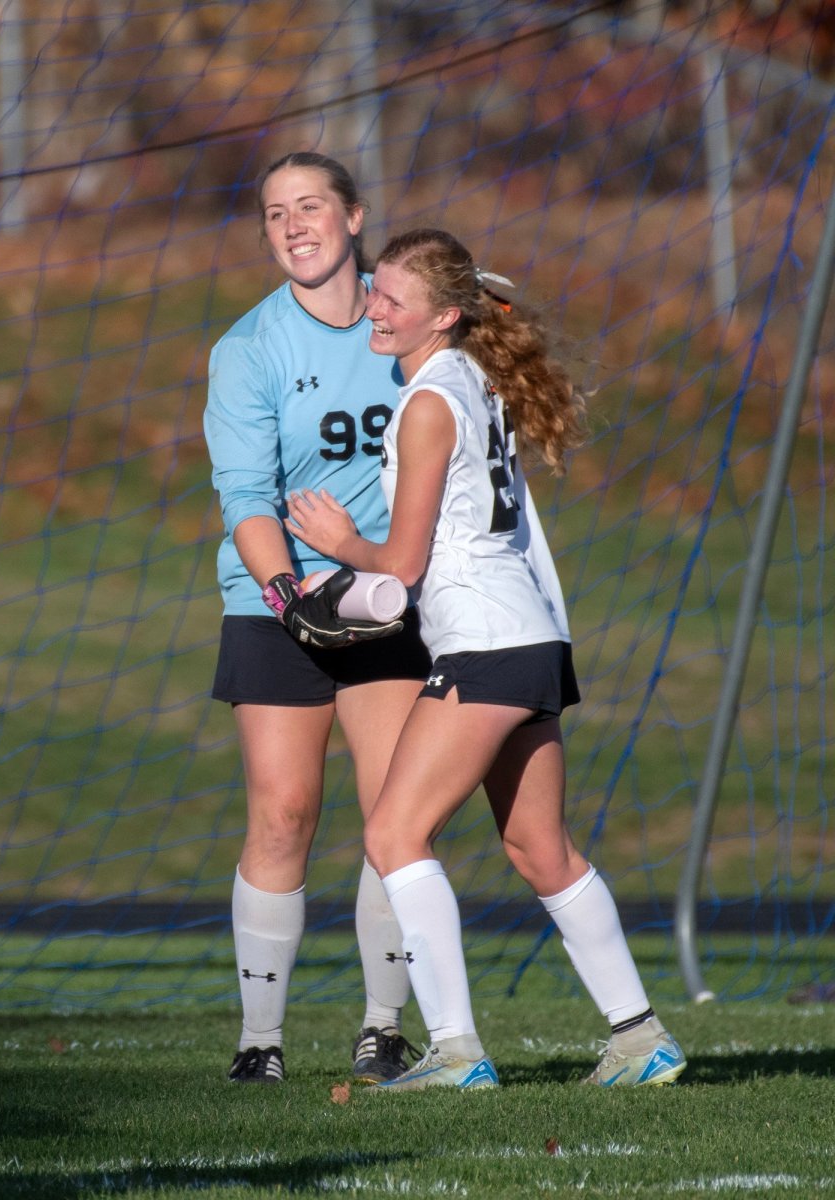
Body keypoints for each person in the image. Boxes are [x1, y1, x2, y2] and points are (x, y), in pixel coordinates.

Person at [285, 227, 687, 1089]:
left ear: (442, 317)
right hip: (532, 636)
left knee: (394, 833)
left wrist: (337, 542)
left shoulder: (429, 402)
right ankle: (641, 1039)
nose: (374, 308)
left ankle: (456, 1051)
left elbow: (403, 562)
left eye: (393, 298)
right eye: (375, 289)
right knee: (540, 847)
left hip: (488, 644)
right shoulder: (471, 378)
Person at [203, 153, 433, 1084]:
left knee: (394, 817)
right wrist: (289, 594)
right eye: (273, 214)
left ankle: (383, 1027)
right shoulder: (249, 347)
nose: (293, 225)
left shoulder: (405, 319)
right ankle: (260, 1042)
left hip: (386, 595)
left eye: (310, 207)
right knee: (284, 812)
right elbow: (246, 496)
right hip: (280, 600)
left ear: (353, 216)